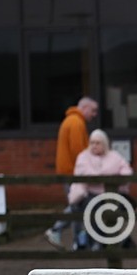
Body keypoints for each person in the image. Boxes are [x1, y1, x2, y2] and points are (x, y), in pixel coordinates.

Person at [45, 96, 98, 248]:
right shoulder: (76, 123)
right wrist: (89, 168)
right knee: (76, 204)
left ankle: (77, 241)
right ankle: (58, 230)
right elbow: (78, 151)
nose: (94, 114)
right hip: (73, 172)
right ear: (85, 107)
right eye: (93, 110)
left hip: (70, 170)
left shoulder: (72, 120)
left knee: (77, 205)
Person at [69, 129, 134, 250]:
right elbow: (83, 173)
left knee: (114, 210)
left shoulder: (114, 156)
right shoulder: (83, 156)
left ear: (104, 143)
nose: (94, 146)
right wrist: (106, 174)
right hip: (89, 194)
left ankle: (114, 241)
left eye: (97, 143)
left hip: (112, 195)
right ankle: (96, 242)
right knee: (92, 209)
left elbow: (127, 172)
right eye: (92, 142)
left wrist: (111, 178)